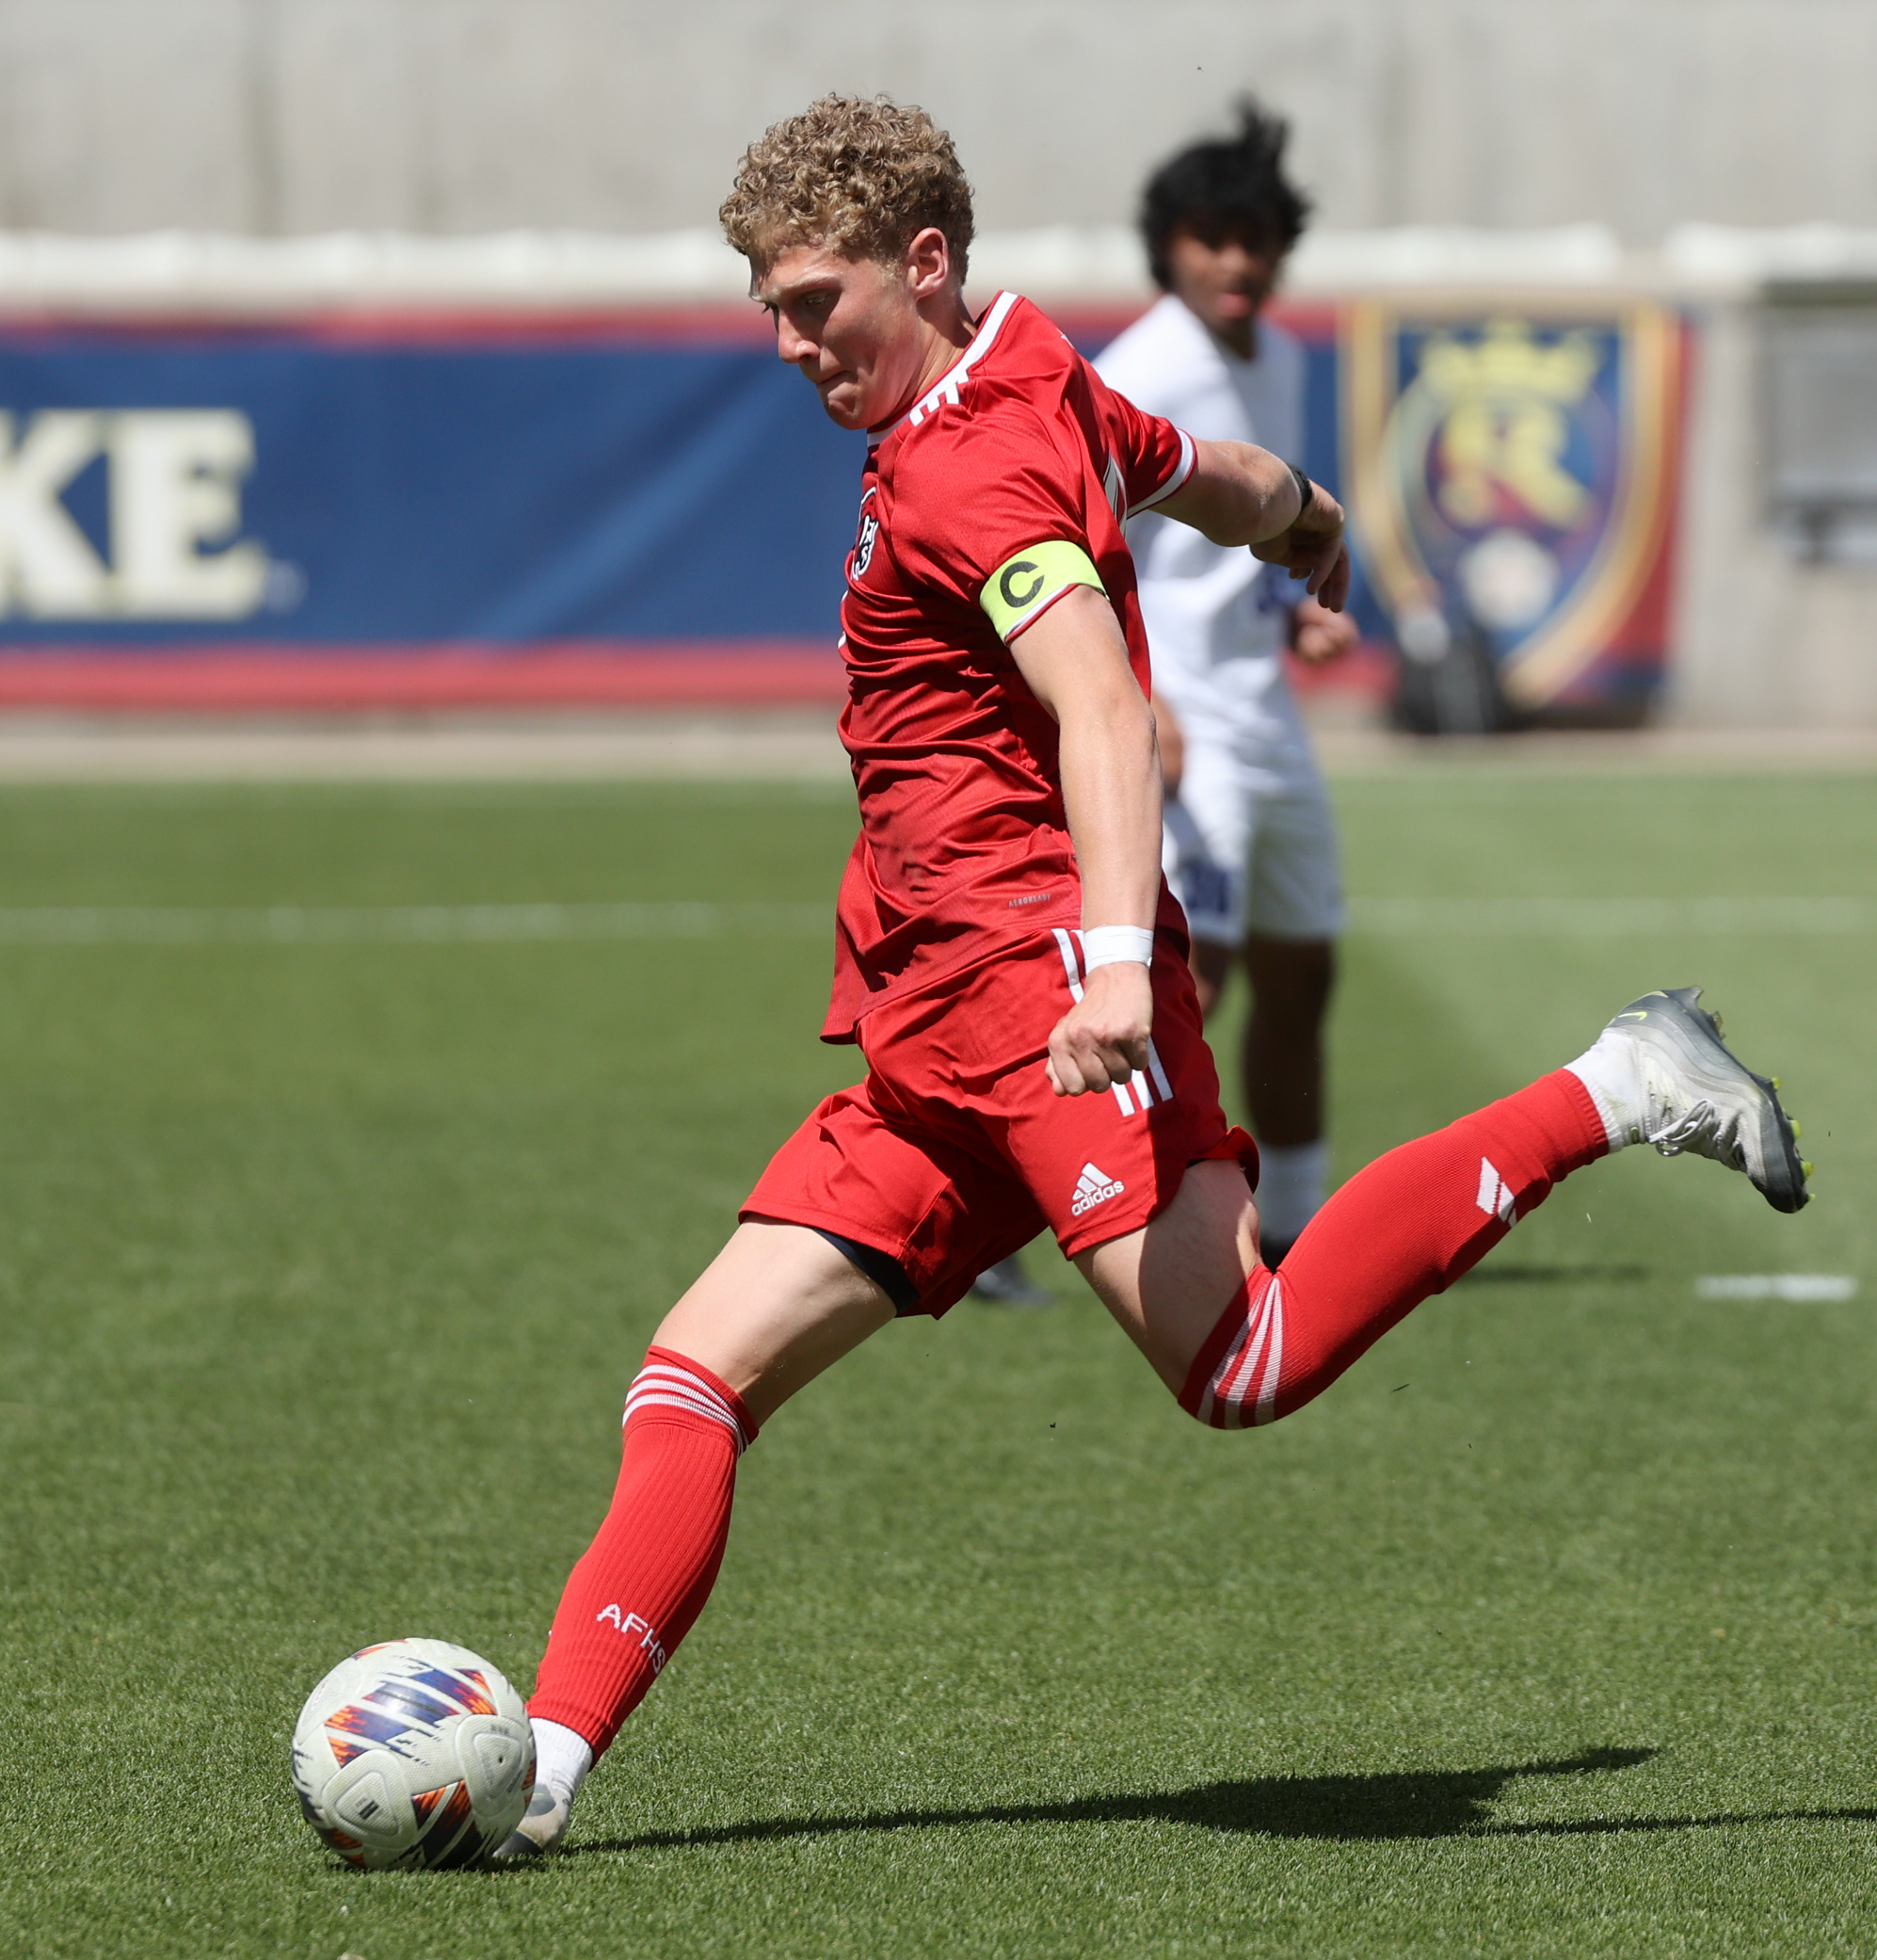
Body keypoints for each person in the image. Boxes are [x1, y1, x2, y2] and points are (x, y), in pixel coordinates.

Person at [494, 95, 1808, 1860]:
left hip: (1044, 1010)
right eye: (769, 304)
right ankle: (541, 1777)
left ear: (927, 263)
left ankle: (1620, 1082)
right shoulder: (1029, 382)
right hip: (927, 1043)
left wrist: (1112, 969)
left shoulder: (971, 462)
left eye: (816, 298)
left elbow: (1103, 702)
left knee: (1245, 1362)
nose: (789, 340)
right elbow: (1207, 474)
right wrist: (1313, 524)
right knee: (691, 1376)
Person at [1095, 101, 1354, 1265]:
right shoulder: (1145, 367)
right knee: (1190, 978)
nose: (1236, 261)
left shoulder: (1281, 358)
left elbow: (1225, 539)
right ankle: (1078, 1210)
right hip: (1184, 712)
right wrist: (1136, 699)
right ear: (1170, 246)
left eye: (1255, 238)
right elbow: (1072, 532)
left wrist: (1289, 615)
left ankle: (1295, 1232)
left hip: (1265, 710)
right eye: (1210, 237)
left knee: (1306, 966)